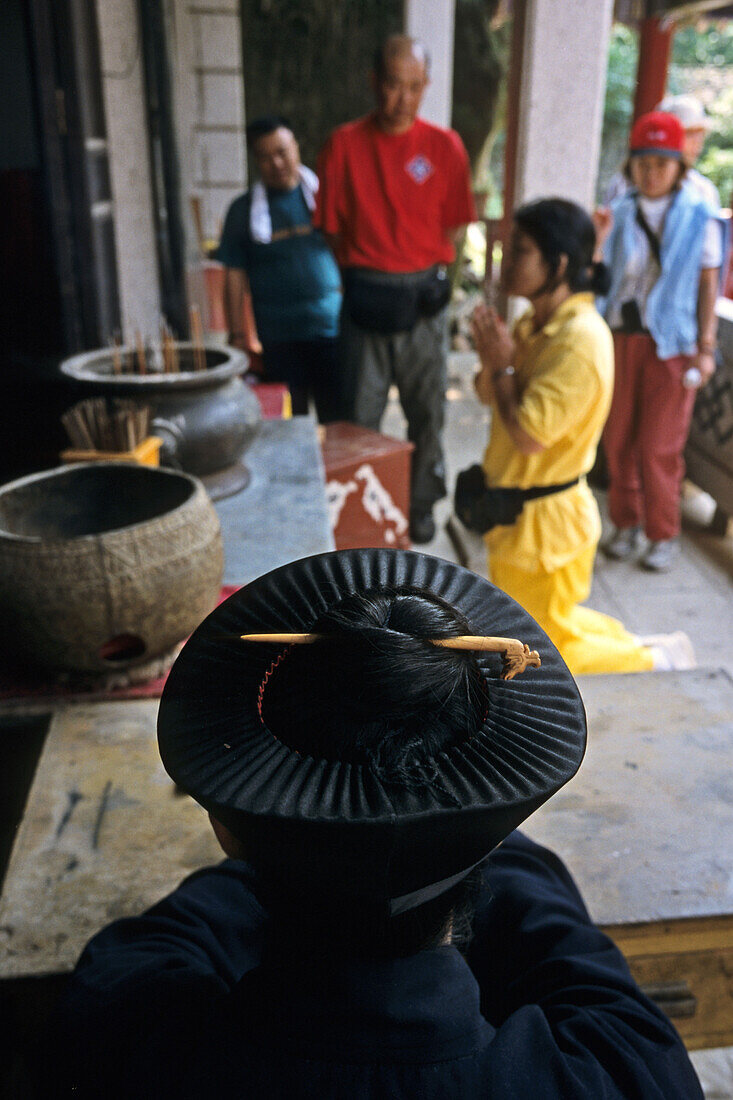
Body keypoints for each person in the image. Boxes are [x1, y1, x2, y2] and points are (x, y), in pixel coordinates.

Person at [52, 548, 702, 1098]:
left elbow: (159, 942)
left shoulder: (124, 1032)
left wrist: (294, 830)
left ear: (228, 830)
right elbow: (568, 953)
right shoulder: (625, 1070)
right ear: (499, 827)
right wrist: (458, 814)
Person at [470, 198, 669, 675]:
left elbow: (529, 436)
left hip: (546, 529)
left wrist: (503, 368)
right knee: (545, 627)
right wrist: (497, 367)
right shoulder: (533, 323)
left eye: (519, 251)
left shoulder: (581, 340)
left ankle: (647, 660)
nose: (506, 263)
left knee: (541, 652)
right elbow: (487, 393)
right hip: (517, 516)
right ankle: (632, 644)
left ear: (558, 264)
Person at [315, 36, 476, 543]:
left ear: (425, 86)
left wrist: (415, 265)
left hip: (422, 302)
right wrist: (374, 265)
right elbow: (331, 229)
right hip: (365, 297)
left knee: (428, 411)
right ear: (373, 82)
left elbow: (454, 227)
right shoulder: (343, 143)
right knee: (359, 418)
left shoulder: (444, 146)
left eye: (412, 87)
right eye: (391, 85)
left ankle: (422, 503)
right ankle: (358, 507)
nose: (400, 99)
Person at [599, 111, 722, 572]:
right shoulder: (620, 209)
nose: (651, 173)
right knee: (618, 439)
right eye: (643, 162)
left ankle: (662, 532)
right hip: (621, 336)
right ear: (631, 164)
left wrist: (706, 348)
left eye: (661, 164)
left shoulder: (700, 212)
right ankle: (625, 523)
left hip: (672, 344)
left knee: (659, 446)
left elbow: (709, 282)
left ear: (679, 166)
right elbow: (606, 274)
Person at [218, 116, 344, 420]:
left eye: (282, 152)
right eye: (265, 156)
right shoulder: (242, 211)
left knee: (339, 421)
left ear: (296, 149)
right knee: (289, 422)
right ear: (256, 161)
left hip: (332, 331)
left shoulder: (324, 195)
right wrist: (237, 336)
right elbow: (233, 275)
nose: (276, 163)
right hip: (278, 339)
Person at [604, 93, 720, 210]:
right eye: (689, 134)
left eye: (700, 135)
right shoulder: (624, 185)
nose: (697, 143)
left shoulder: (703, 190)